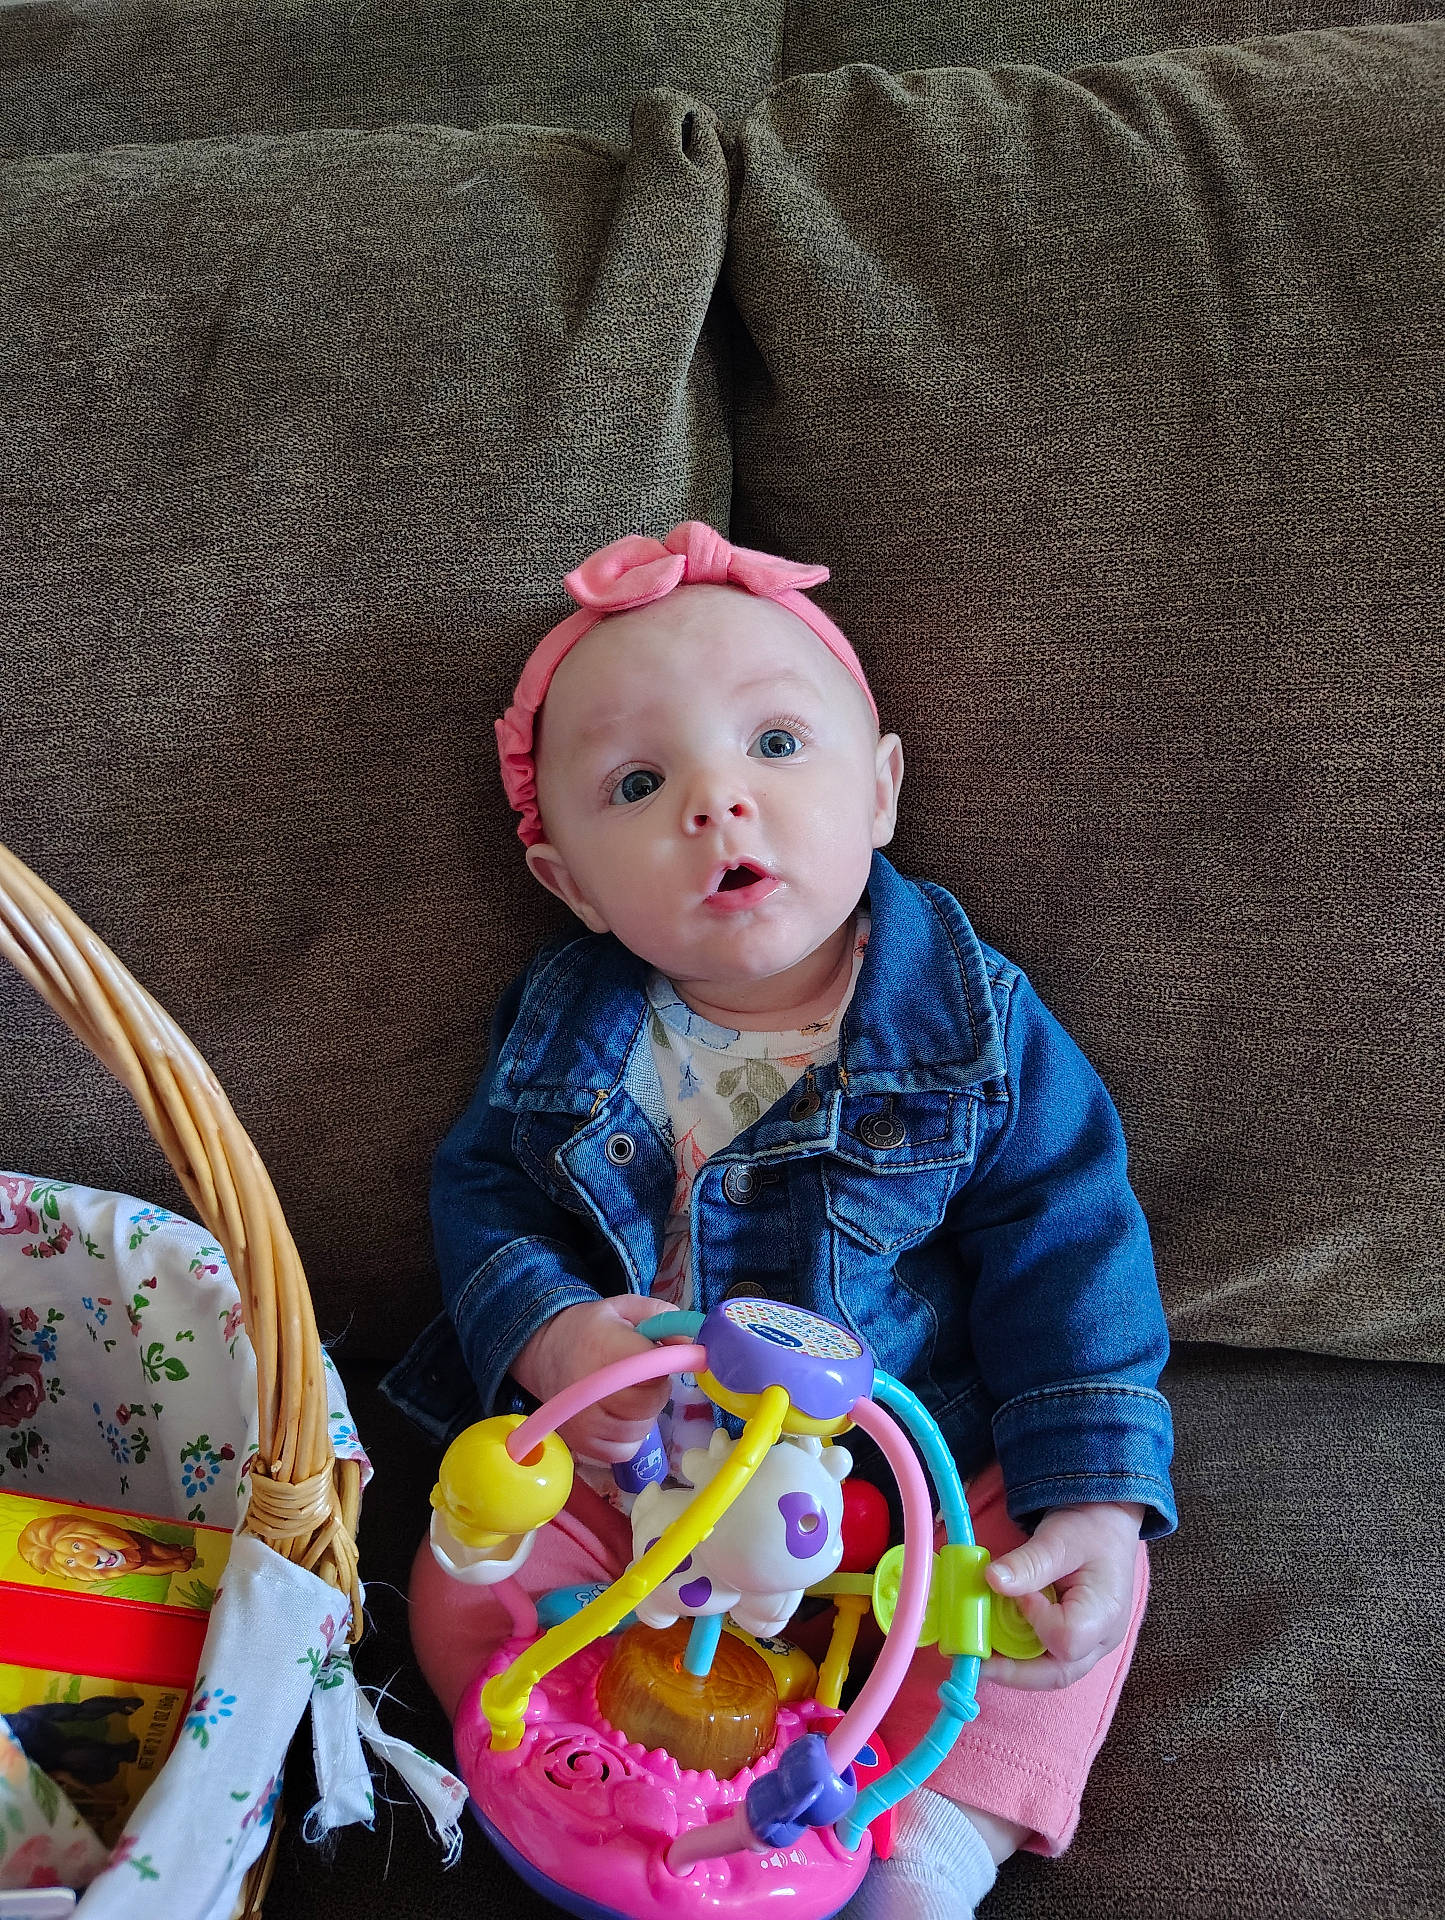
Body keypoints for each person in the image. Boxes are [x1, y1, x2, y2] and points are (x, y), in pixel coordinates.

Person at [384, 520, 1176, 1919]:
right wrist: (556, 1341)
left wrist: (1096, 1503)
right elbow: (485, 1197)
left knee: (1057, 1601)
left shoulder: (972, 1024)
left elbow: (1071, 1242)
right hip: (648, 1479)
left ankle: (935, 1831)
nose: (716, 804)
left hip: (899, 1490)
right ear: (568, 878)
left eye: (776, 748)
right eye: (639, 782)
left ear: (878, 793)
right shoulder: (563, 1030)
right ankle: (565, 1723)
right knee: (480, 1529)